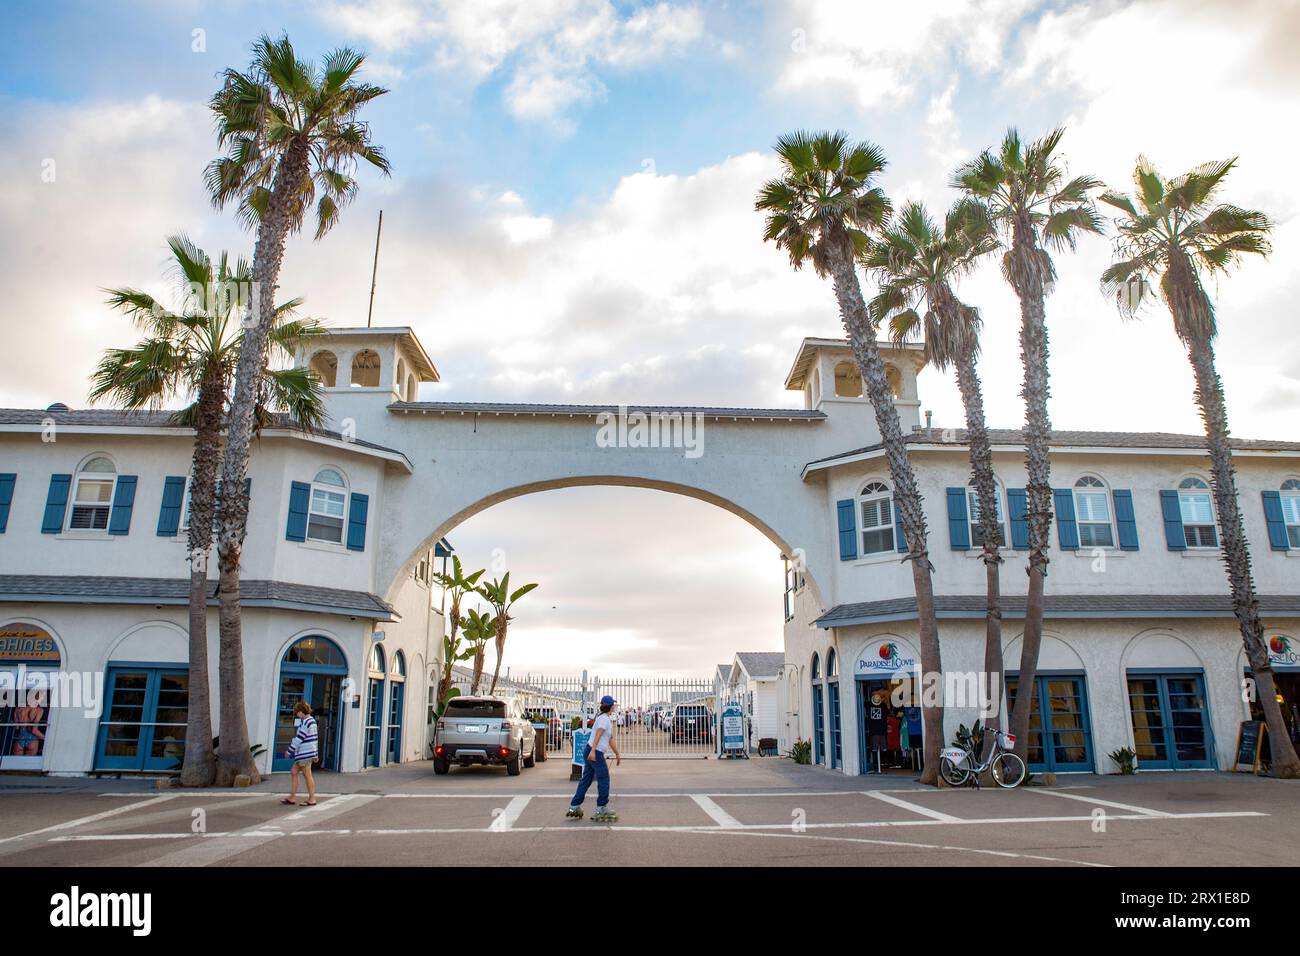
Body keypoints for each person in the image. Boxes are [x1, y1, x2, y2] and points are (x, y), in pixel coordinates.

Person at [566, 695, 621, 822]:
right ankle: (601, 807)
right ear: (610, 706)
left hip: (591, 751)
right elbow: (598, 734)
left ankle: (574, 806)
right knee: (604, 778)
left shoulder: (604, 718)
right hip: (594, 752)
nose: (614, 706)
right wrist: (593, 751)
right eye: (613, 704)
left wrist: (617, 753)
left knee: (586, 779)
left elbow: (610, 738)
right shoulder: (604, 720)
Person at [281, 701, 319, 807]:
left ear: (302, 712)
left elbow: (299, 739)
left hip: (305, 753)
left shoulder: (307, 722)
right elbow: (315, 739)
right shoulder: (309, 721)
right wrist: (315, 753)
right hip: (305, 753)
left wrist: (289, 751)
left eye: (297, 713)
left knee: (307, 775)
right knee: (294, 772)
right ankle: (292, 797)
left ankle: (312, 799)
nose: (296, 715)